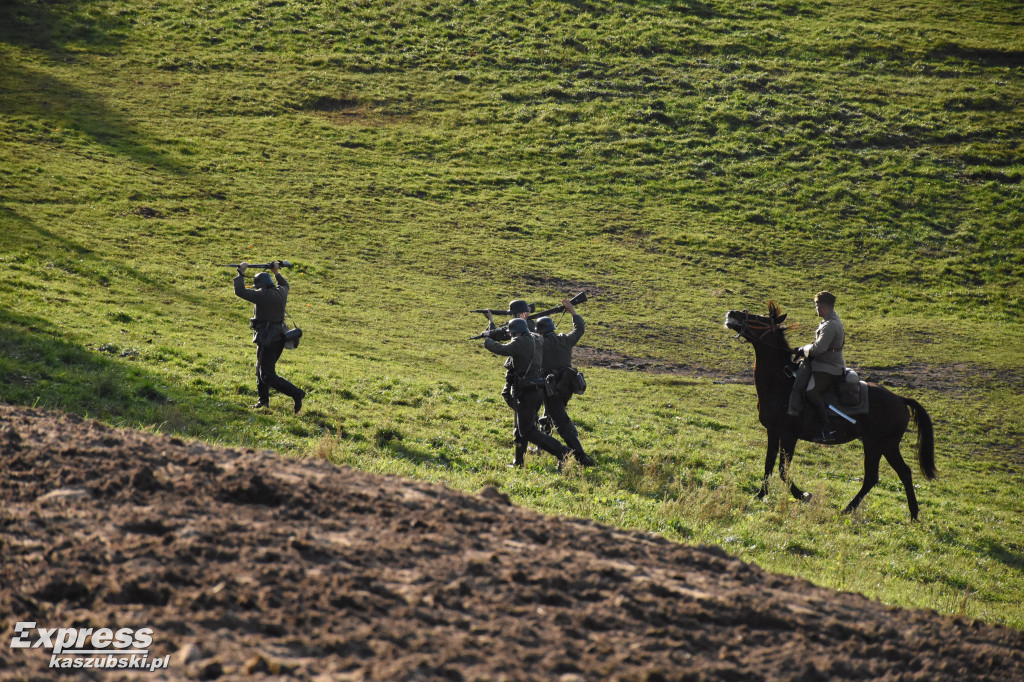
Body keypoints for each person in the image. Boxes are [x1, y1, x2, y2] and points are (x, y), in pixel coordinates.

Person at [483, 317, 573, 470]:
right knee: (520, 429)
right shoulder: (536, 338)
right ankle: (518, 462)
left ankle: (562, 452)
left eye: (512, 333)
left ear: (516, 332)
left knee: (528, 431)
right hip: (535, 389)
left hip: (527, 392)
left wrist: (487, 340)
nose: (511, 336)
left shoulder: (520, 342)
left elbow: (502, 349)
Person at [233, 262, 306, 414]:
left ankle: (296, 393)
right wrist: (276, 272)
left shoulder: (262, 295)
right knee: (260, 368)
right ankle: (263, 401)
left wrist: (241, 273)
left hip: (268, 338)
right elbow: (285, 284)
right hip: (279, 337)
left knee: (267, 375)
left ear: (261, 286)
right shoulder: (281, 291)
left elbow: (240, 291)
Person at [535, 299, 595, 467]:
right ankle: (541, 446)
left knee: (561, 423)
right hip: (567, 387)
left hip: (551, 389)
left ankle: (582, 457)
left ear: (540, 332)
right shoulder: (565, 341)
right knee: (550, 415)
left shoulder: (539, 345)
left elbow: (526, 341)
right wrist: (573, 311)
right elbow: (579, 329)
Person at [787, 291, 845, 442]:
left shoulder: (831, 325)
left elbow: (818, 348)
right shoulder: (827, 321)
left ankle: (828, 431)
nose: (816, 309)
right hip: (822, 364)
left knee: (811, 391)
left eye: (817, 306)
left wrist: (802, 349)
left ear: (825, 307)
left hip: (829, 368)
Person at [485, 300, 535, 466]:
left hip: (522, 375)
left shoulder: (528, 329)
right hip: (518, 373)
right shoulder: (524, 328)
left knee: (522, 418)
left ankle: (521, 454)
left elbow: (503, 347)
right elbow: (500, 336)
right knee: (511, 399)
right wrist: (491, 322)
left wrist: (490, 330)